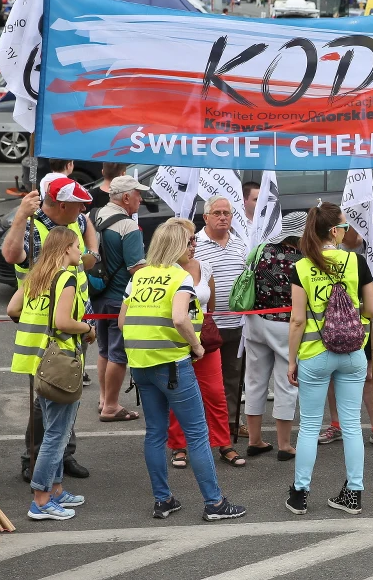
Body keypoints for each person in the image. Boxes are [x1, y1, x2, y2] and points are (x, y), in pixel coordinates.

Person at [120, 223, 247, 521]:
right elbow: (180, 317)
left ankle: (163, 500)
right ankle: (214, 503)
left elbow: (122, 322)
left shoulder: (140, 277)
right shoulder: (180, 276)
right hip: (173, 364)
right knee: (197, 434)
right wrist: (197, 346)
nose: (193, 245)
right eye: (189, 241)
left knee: (154, 433)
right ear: (177, 245)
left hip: (140, 364)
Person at [285, 203, 373, 516]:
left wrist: (291, 360)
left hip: (315, 354)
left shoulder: (301, 266)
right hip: (353, 352)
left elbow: (297, 320)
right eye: (344, 226)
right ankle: (353, 493)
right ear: (335, 231)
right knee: (352, 426)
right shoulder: (356, 261)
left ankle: (300, 494)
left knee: (309, 427)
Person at [3, 179, 97, 483]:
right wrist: (20, 215)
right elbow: (10, 254)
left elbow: (84, 257)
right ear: (60, 204)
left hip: (72, 329)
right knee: (47, 399)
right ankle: (36, 461)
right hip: (51, 332)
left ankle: (61, 455)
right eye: (78, 204)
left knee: (67, 392)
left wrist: (91, 248)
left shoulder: (75, 221)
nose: (83, 209)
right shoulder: (34, 228)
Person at [10, 227, 95, 520]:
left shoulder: (36, 274)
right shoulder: (66, 278)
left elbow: (12, 308)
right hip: (60, 361)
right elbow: (63, 321)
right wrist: (87, 328)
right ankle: (41, 499)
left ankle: (56, 490)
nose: (80, 252)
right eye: (76, 247)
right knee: (56, 434)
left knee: (51, 428)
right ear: (66, 249)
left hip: (38, 358)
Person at [158, 219, 241, 469]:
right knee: (178, 396)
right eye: (188, 241)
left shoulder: (204, 267)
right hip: (174, 341)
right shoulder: (164, 270)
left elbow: (210, 306)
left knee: (216, 393)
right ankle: (179, 447)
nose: (193, 246)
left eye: (194, 240)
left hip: (203, 341)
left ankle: (223, 443)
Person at [321, 222, 373, 449]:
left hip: (362, 322)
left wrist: (367, 285)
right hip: (333, 321)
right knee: (333, 373)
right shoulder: (333, 252)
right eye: (353, 226)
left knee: (369, 376)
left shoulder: (372, 246)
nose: (361, 232)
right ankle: (336, 424)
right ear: (340, 230)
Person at [244, 213, 305, 462]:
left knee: (255, 381)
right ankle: (284, 444)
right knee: (285, 382)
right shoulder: (302, 259)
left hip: (255, 320)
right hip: (284, 324)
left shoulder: (260, 250)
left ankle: (254, 440)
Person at [93, 175, 149, 423]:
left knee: (104, 351)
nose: (141, 198)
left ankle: (104, 399)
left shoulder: (95, 216)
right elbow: (136, 268)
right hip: (119, 299)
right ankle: (112, 407)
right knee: (118, 355)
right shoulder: (129, 227)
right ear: (126, 197)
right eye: (138, 193)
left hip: (97, 296)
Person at [194, 196, 248, 440]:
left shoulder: (240, 244)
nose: (223, 217)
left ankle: (231, 424)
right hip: (205, 326)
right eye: (217, 213)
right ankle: (204, 426)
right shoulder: (195, 244)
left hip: (237, 324)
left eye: (227, 212)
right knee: (205, 381)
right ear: (205, 217)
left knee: (234, 377)